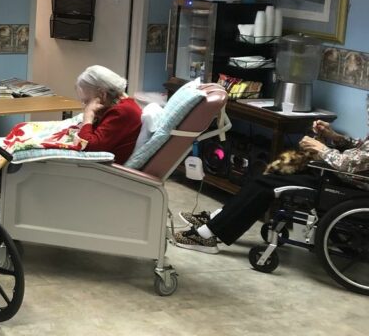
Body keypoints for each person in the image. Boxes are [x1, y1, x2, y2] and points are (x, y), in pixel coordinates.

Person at [173, 117, 369, 253]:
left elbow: (349, 165)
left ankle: (210, 234)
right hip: (338, 178)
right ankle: (219, 217)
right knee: (277, 168)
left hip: (347, 187)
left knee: (265, 185)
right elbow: (361, 151)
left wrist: (323, 149)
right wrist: (335, 136)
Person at [74, 65, 142, 164]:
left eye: (87, 101)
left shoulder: (122, 111)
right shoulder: (124, 105)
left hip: (106, 170)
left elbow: (86, 147)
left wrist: (88, 116)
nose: (85, 106)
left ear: (102, 94)